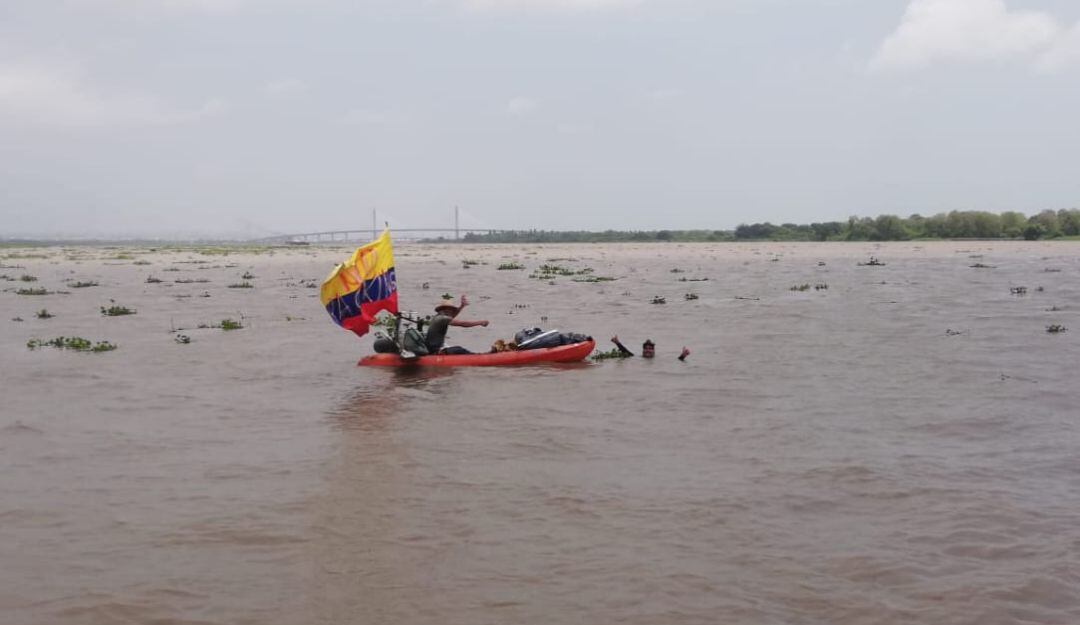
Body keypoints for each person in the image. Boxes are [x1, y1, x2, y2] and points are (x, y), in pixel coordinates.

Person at [425, 295, 489, 355]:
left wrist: (462, 306)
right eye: (449, 309)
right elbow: (462, 324)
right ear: (444, 309)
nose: (451, 311)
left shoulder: (438, 317)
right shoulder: (442, 318)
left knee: (457, 349)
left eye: (451, 309)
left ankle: (476, 355)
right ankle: (477, 356)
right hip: (435, 350)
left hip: (433, 348)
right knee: (459, 349)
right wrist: (480, 322)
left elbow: (452, 316)